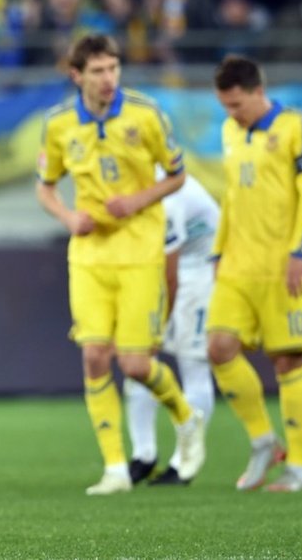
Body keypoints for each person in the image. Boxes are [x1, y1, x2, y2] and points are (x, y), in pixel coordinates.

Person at [36, 33, 207, 495]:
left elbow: (177, 175)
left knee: (134, 365)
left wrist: (135, 201)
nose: (108, 78)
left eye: (113, 68)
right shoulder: (58, 125)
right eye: (98, 71)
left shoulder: (145, 114)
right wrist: (70, 216)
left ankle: (188, 422)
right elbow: (46, 186)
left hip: (140, 252)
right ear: (77, 76)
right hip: (90, 255)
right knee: (94, 355)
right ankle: (114, 467)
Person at [208, 55, 302, 493]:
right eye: (225, 107)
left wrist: (301, 251)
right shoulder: (229, 131)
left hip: (284, 266)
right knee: (218, 348)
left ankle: (297, 469)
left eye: (237, 105)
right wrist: (219, 250)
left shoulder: (300, 126)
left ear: (259, 91)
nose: (231, 114)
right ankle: (262, 440)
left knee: (288, 361)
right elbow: (233, 196)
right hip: (237, 265)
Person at [124, 172, 220, 486]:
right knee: (137, 364)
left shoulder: (167, 198)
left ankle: (184, 464)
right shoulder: (128, 179)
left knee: (193, 364)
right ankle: (144, 455)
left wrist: (158, 326)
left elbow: (171, 274)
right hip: (156, 270)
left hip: (199, 272)